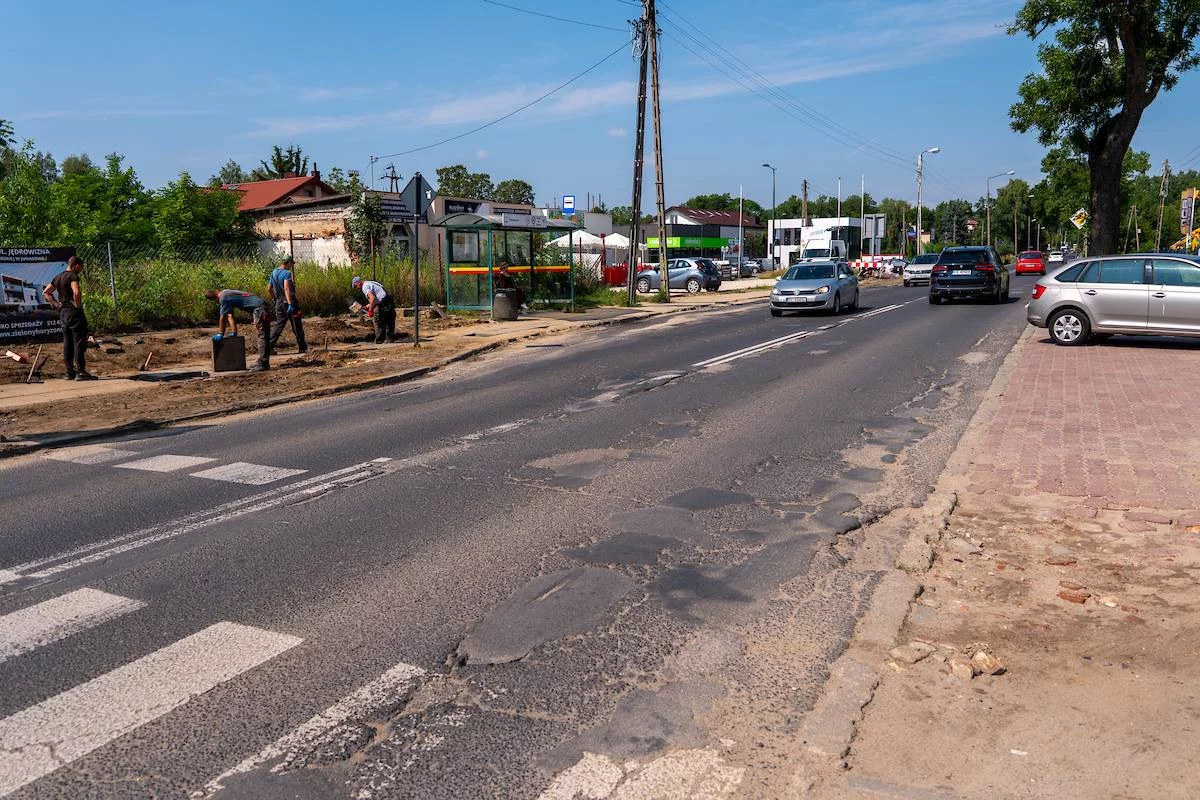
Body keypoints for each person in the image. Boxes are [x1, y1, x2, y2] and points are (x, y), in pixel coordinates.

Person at [42, 255, 96, 380]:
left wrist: (56, 305)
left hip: (63, 313)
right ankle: (81, 372)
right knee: (79, 342)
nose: (80, 270)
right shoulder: (73, 276)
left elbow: (46, 292)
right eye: (80, 268)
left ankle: (69, 372)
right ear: (76, 265)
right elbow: (76, 292)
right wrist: (77, 307)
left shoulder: (58, 277)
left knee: (68, 342)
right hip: (73, 312)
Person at [203, 288, 274, 371]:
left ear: (214, 299)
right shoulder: (226, 293)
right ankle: (262, 361)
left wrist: (220, 333)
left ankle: (263, 364)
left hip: (259, 308)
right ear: (216, 290)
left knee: (262, 336)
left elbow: (223, 318)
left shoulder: (223, 298)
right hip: (260, 305)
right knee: (263, 335)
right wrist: (234, 332)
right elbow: (230, 315)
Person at [267, 256, 307, 354]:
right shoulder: (286, 273)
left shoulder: (274, 272)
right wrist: (290, 303)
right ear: (288, 263)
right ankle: (302, 348)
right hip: (289, 301)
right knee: (296, 324)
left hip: (279, 302)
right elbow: (286, 288)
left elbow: (269, 288)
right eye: (291, 264)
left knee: (279, 325)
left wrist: (274, 299)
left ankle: (268, 347)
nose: (292, 266)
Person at [351, 276, 396, 344]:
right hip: (388, 300)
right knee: (389, 320)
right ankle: (390, 339)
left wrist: (370, 311)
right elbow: (376, 297)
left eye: (355, 285)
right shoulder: (369, 283)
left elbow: (372, 298)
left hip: (383, 302)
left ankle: (379, 340)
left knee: (378, 320)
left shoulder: (365, 287)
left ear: (358, 282)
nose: (357, 287)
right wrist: (367, 306)